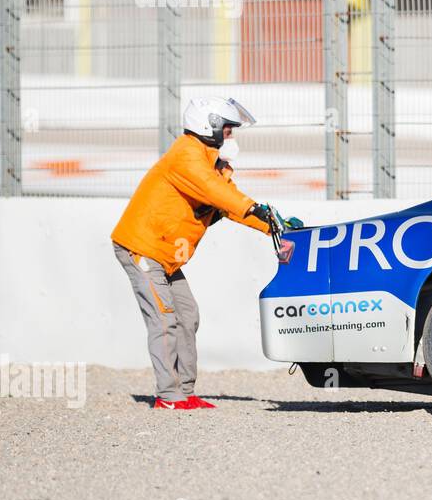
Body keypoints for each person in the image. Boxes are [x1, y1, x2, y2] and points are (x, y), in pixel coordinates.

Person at [111, 97, 300, 411]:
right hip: (142, 247)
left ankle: (184, 391)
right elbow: (218, 194)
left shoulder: (212, 165)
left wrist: (274, 225)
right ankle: (168, 397)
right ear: (209, 126)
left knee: (187, 316)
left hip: (165, 255)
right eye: (228, 130)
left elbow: (228, 203)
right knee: (164, 319)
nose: (231, 137)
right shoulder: (186, 156)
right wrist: (255, 207)